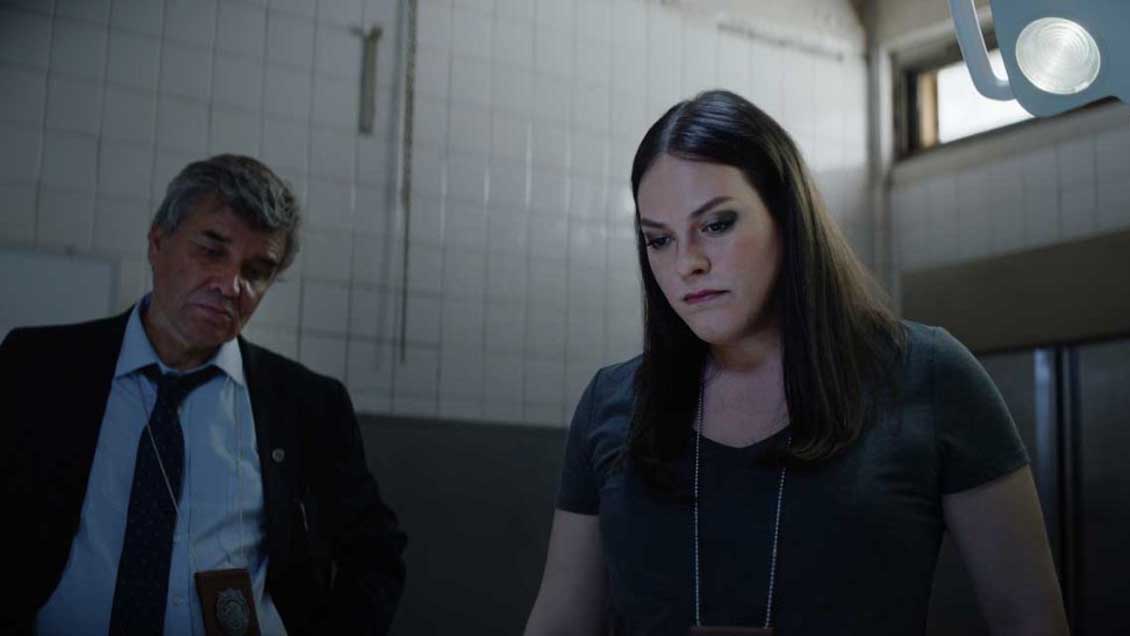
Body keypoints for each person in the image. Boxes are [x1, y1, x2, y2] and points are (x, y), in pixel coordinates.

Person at [523, 91, 1068, 635]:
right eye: (659, 240)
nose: (687, 263)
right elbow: (560, 623)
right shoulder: (612, 402)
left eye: (716, 224)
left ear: (787, 216)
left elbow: (1030, 621)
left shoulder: (928, 375)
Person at [0, 155, 407, 635]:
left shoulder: (307, 405)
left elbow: (375, 552)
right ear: (158, 243)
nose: (231, 286)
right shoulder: (39, 368)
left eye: (257, 270)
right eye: (212, 251)